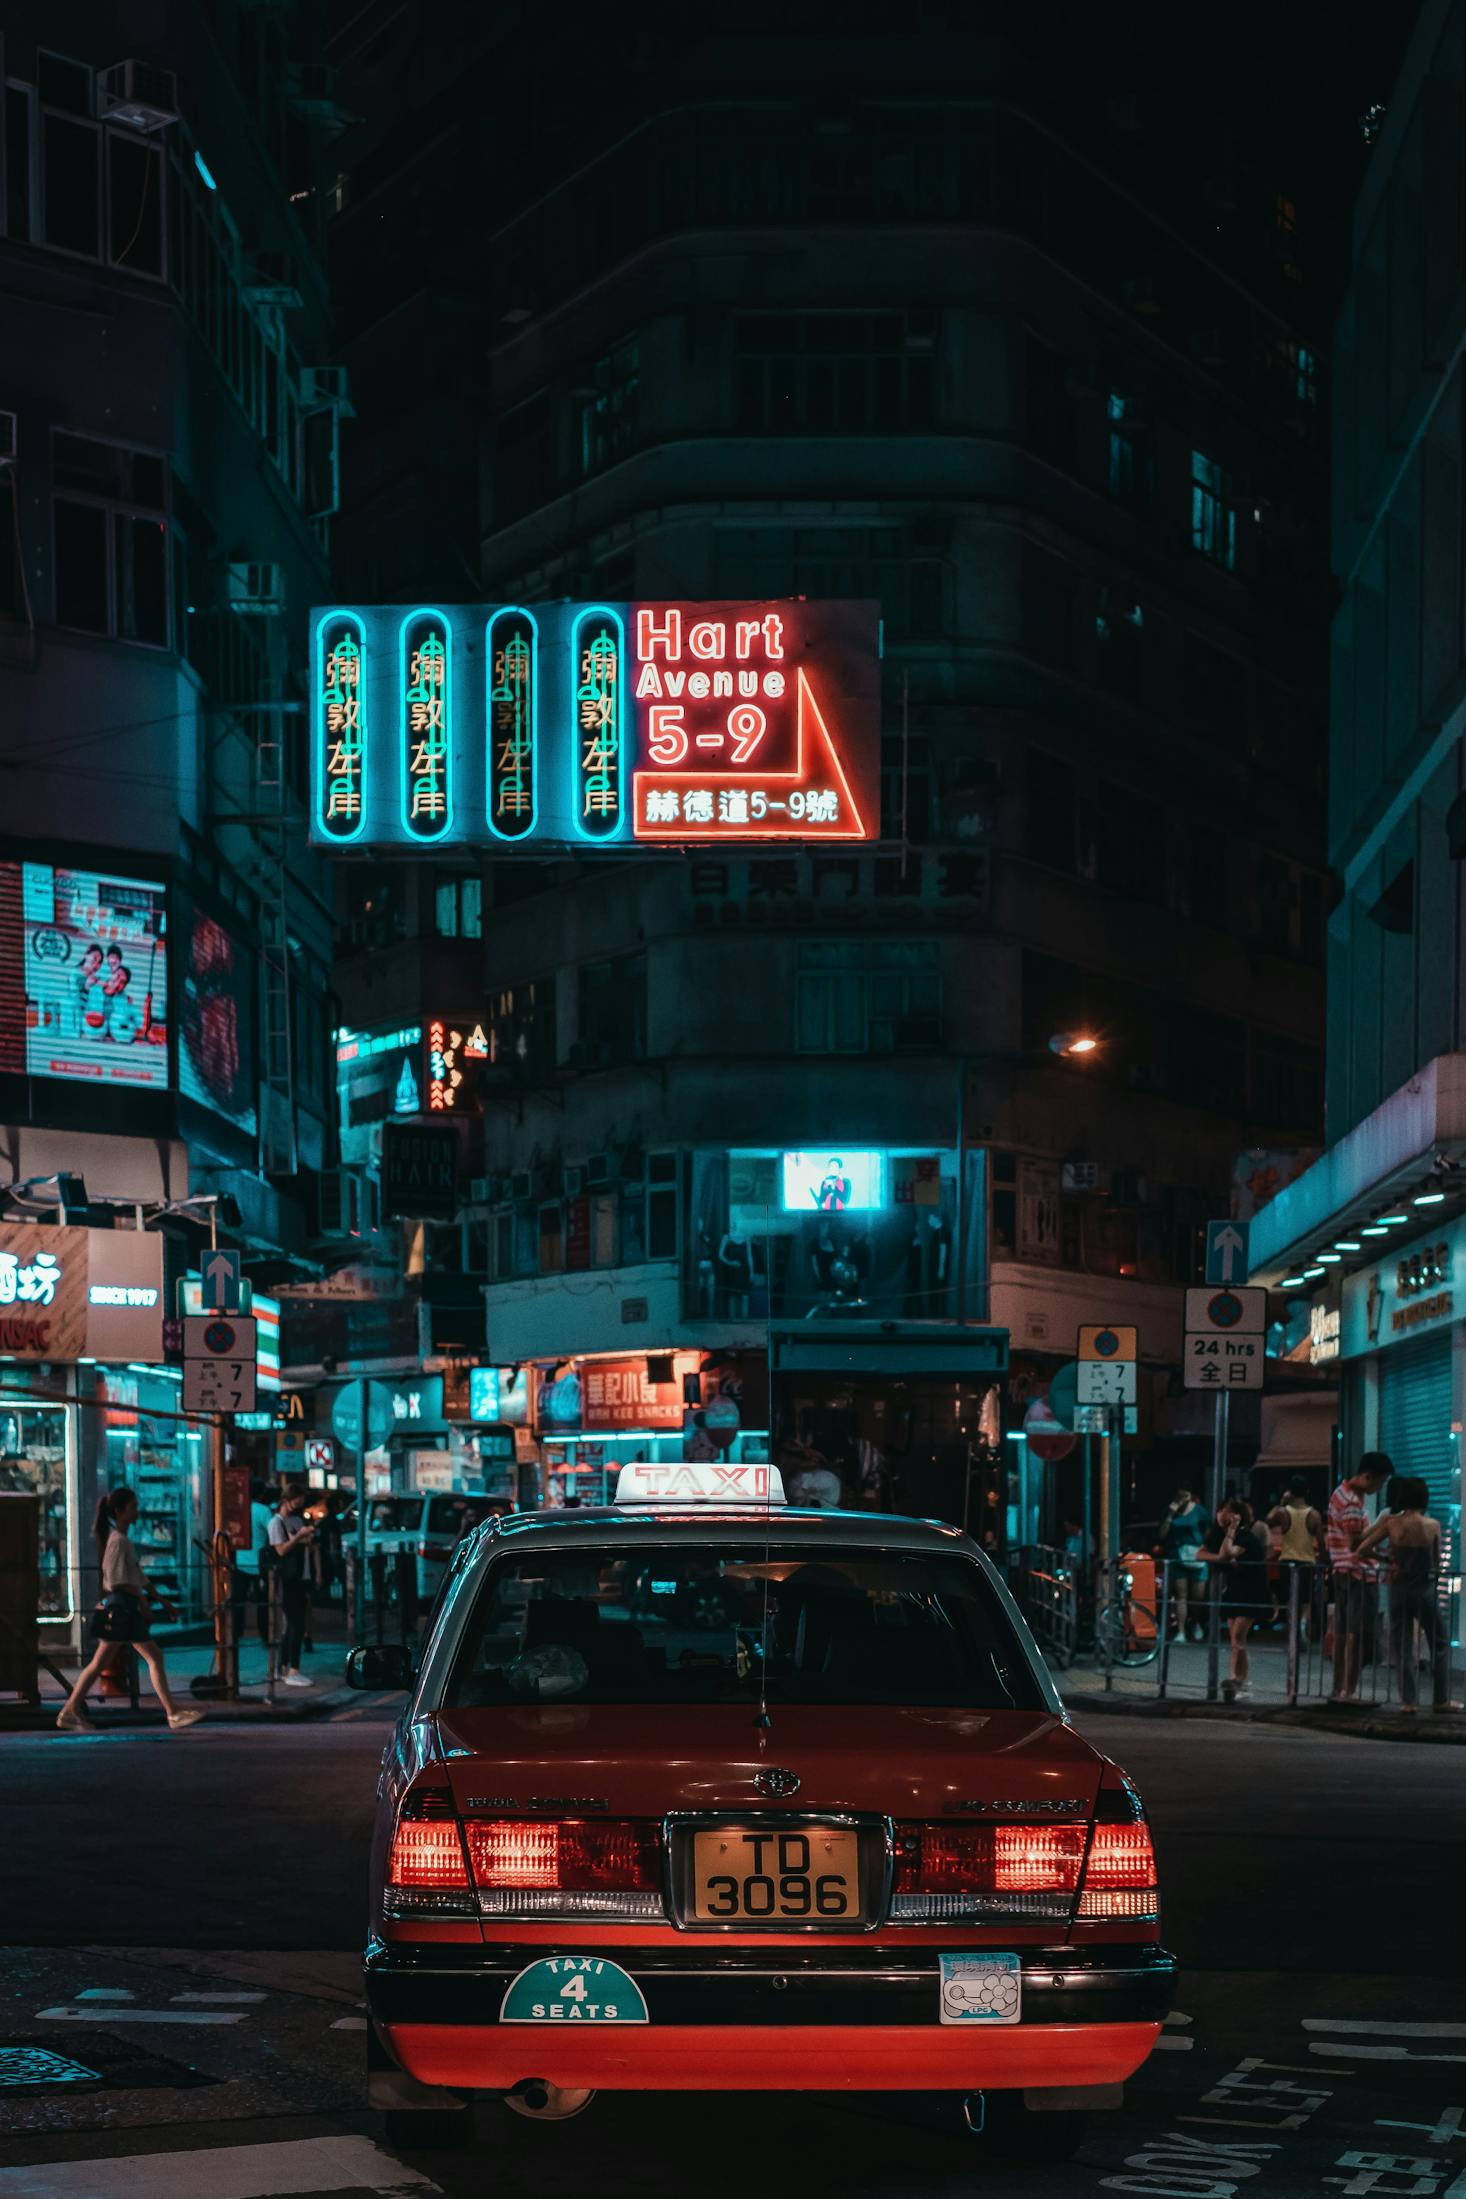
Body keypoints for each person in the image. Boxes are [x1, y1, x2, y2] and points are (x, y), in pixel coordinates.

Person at [57, 1489, 205, 1732]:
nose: (137, 1511)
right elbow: (116, 1580)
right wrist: (143, 1597)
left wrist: (160, 1601)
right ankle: (171, 1713)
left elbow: (137, 1576)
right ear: (120, 1511)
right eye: (133, 1507)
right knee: (136, 1658)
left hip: (124, 1607)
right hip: (123, 1607)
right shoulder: (118, 1541)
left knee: (124, 1659)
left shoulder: (121, 1539)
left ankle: (71, 1710)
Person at [1356, 1476, 1451, 1715]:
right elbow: (1438, 1563)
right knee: (1439, 1641)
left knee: (1402, 1645)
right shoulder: (1432, 1525)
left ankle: (1409, 1701)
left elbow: (1362, 1549)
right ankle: (1441, 1699)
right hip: (1425, 1590)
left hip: (1398, 1589)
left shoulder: (1391, 1523)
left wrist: (1388, 1559)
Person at [1326, 1451, 1391, 1704]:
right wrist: (1382, 1525)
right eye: (1380, 1482)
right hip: (1357, 1573)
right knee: (1356, 1633)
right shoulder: (1353, 1502)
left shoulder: (1339, 1493)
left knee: (1343, 1632)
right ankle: (1348, 1690)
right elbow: (1356, 1544)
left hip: (1342, 1571)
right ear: (1367, 1476)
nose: (1379, 1487)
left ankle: (1338, 1686)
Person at [1199, 1494, 1270, 1701]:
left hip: (1252, 1590)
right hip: (1235, 1588)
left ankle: (1234, 1680)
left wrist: (1230, 1532)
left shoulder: (1246, 1537)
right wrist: (1222, 1552)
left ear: (1237, 1515)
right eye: (1220, 1510)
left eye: (1228, 1511)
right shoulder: (1217, 1534)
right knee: (1237, 1640)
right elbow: (1206, 1554)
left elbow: (1227, 1553)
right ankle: (1241, 1682)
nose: (1222, 1514)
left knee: (1239, 1636)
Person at [268, 1486, 316, 1688]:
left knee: (296, 1624)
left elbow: (306, 1546)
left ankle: (285, 1667)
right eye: (297, 1500)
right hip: (287, 1580)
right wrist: (299, 1537)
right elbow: (280, 1550)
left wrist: (307, 1537)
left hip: (301, 1576)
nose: (299, 1504)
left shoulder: (296, 1520)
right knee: (294, 1625)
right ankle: (291, 1669)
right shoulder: (275, 1523)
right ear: (287, 1499)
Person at [1154, 1486, 1211, 1641]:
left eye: (1186, 1496)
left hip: (1197, 1556)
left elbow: (1209, 1531)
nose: (1183, 1499)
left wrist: (1205, 1547)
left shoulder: (1199, 1511)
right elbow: (1162, 1534)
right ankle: (1181, 1631)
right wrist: (1171, 1513)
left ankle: (1196, 1622)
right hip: (1178, 1556)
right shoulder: (1171, 1511)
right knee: (1181, 1595)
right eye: (1180, 1496)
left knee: (1197, 1596)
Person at [1268, 1481, 1325, 1636]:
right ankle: (1302, 1626)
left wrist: (1281, 1502)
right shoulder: (1314, 1514)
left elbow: (1268, 1521)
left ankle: (1293, 1632)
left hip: (1287, 1561)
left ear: (1290, 1493)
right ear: (1307, 1491)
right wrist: (1322, 1563)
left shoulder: (1283, 1512)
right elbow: (1321, 1542)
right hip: (1307, 1562)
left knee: (1290, 1600)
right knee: (1306, 1601)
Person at [231, 1479, 275, 1657]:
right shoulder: (264, 1511)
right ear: (262, 1493)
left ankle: (236, 1635)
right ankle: (265, 1637)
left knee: (237, 1602)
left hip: (240, 1561)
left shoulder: (239, 1509)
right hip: (259, 1563)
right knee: (263, 1603)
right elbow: (272, 1534)